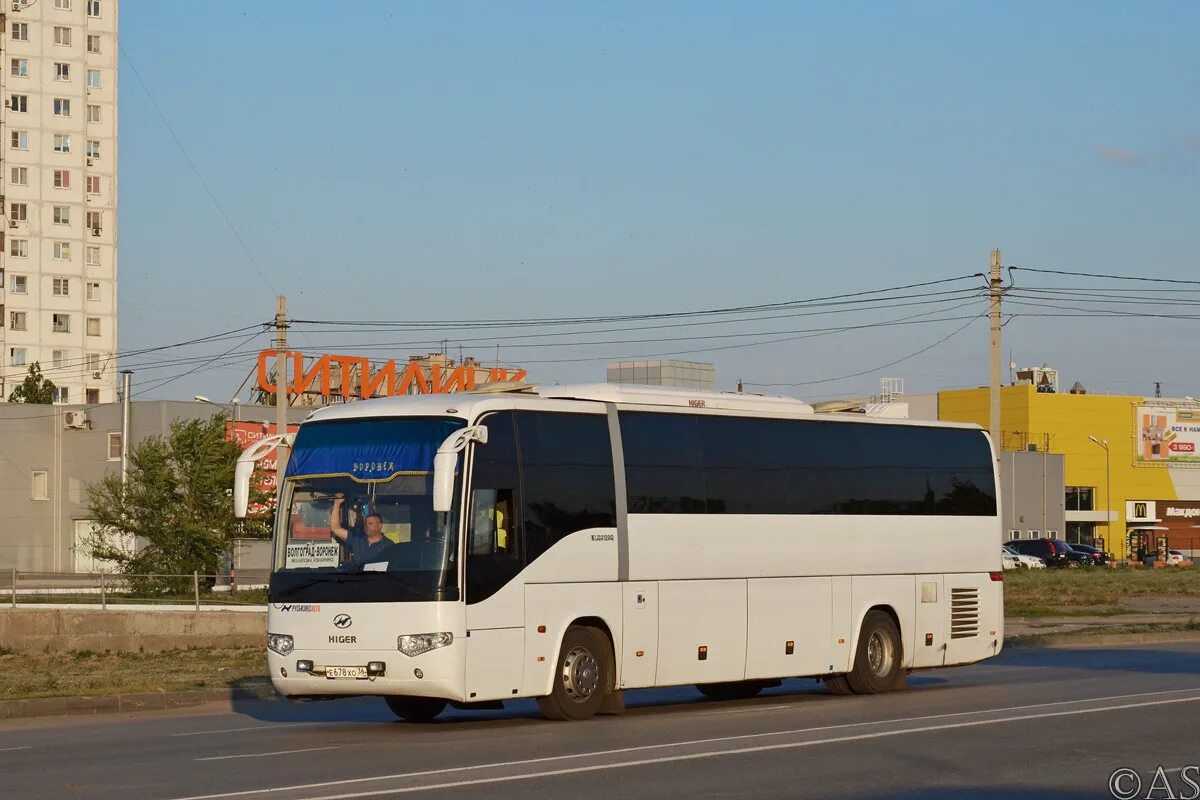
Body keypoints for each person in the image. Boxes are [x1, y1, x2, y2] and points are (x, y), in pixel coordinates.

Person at [329, 493, 393, 564]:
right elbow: (335, 528)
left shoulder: (388, 545)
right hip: (357, 575)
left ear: (379, 525)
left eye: (370, 523)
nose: (367, 526)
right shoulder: (357, 538)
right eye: (365, 523)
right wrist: (337, 503)